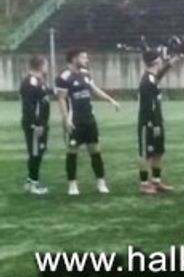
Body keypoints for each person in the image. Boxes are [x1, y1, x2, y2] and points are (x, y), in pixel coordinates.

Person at [55, 48, 120, 196]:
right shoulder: (63, 77)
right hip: (74, 121)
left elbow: (94, 90)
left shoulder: (85, 74)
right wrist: (66, 119)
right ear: (74, 58)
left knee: (95, 151)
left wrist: (110, 100)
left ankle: (101, 183)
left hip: (89, 120)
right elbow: (61, 99)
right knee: (72, 152)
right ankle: (72, 185)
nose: (87, 60)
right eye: (84, 57)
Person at [137, 47, 179, 195]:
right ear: (155, 61)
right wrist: (153, 124)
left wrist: (171, 63)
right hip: (148, 123)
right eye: (160, 58)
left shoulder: (152, 78)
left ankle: (156, 181)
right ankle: (144, 184)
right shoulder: (147, 81)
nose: (162, 60)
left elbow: (160, 74)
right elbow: (148, 107)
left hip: (157, 122)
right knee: (146, 153)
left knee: (158, 152)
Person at [20, 56, 52, 195]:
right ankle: (34, 184)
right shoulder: (31, 82)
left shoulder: (40, 81)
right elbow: (29, 106)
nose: (47, 68)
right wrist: (35, 124)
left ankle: (30, 181)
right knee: (35, 153)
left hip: (42, 124)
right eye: (46, 65)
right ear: (40, 66)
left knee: (39, 152)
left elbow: (45, 95)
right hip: (35, 125)